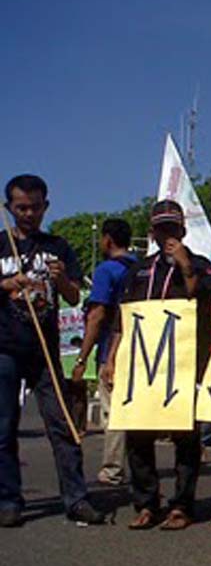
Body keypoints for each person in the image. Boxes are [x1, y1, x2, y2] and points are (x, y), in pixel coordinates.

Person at [102, 201, 211, 530]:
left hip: (182, 364)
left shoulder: (200, 264)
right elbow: (124, 320)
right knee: (137, 434)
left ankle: (182, 504)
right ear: (152, 233)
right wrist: (111, 359)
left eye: (173, 228)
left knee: (185, 436)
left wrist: (185, 266)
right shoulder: (138, 269)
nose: (167, 234)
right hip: (142, 364)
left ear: (182, 230)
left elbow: (201, 300)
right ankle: (147, 503)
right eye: (161, 229)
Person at [0, 174, 105, 527]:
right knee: (3, 428)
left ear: (46, 206)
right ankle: (9, 500)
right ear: (9, 208)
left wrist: (60, 279)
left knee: (62, 425)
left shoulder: (58, 245)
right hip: (5, 349)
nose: (29, 214)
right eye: (21, 208)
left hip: (45, 351)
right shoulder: (1, 245)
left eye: (36, 207)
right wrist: (6, 284)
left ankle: (76, 498)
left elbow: (75, 296)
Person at [71, 218, 137, 487]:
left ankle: (112, 469)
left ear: (107, 239)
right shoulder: (141, 268)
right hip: (143, 349)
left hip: (113, 347)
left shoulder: (106, 271)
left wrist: (82, 357)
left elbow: (97, 315)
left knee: (114, 412)